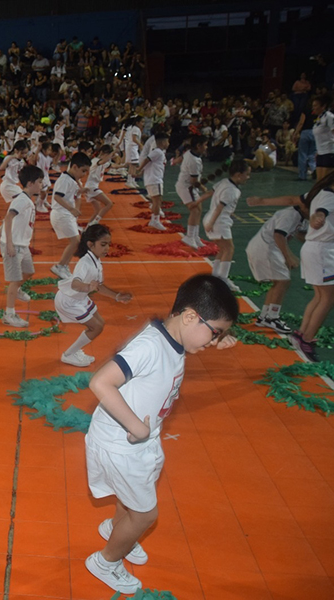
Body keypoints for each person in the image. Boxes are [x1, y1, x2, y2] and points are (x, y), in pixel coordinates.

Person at [84, 274, 238, 594]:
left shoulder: (175, 337)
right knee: (145, 514)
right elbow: (101, 382)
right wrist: (137, 426)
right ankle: (107, 561)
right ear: (190, 316)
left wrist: (215, 337)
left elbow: (183, 351)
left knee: (132, 499)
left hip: (140, 441)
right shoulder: (150, 346)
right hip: (123, 441)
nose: (211, 343)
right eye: (213, 334)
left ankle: (116, 530)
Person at [54, 224, 133, 366]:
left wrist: (116, 296)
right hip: (69, 301)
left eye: (108, 244)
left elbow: (99, 286)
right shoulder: (85, 263)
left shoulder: (96, 260)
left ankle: (75, 350)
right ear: (90, 244)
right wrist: (89, 286)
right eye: (103, 244)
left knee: (100, 324)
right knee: (96, 327)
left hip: (80, 299)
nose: (107, 248)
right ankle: (68, 354)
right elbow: (75, 284)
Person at [244, 192, 311, 334]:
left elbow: (301, 234)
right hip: (266, 247)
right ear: (305, 207)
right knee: (283, 281)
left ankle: (264, 316)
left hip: (265, 247)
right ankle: (272, 317)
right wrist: (288, 257)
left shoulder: (302, 218)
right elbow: (278, 235)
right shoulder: (291, 215)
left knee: (278, 282)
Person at [291, 172, 334, 361]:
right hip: (322, 252)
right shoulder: (329, 197)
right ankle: (307, 339)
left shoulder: (323, 192)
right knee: (327, 299)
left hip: (316, 250)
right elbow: (321, 212)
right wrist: (318, 217)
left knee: (319, 296)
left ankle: (302, 334)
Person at [0, 165, 44, 328]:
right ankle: (9, 314)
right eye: (39, 182)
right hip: (14, 245)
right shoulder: (21, 200)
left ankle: (16, 290)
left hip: (23, 245)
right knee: (14, 279)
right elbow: (9, 218)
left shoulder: (27, 200)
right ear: (31, 183)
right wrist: (9, 243)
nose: (41, 185)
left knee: (29, 271)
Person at [203, 160, 252, 292]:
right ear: (238, 174)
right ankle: (223, 279)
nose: (248, 177)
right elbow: (220, 207)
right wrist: (211, 223)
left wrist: (197, 202)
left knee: (223, 249)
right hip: (219, 221)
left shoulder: (224, 182)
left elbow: (210, 193)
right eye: (246, 174)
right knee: (229, 249)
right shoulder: (232, 190)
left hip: (214, 219)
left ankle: (216, 276)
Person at [50, 152, 92, 280]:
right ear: (74, 167)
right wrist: (71, 209)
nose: (84, 174)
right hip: (61, 214)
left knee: (75, 242)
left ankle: (63, 266)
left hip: (66, 214)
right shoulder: (65, 179)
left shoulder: (72, 180)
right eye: (83, 171)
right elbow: (57, 196)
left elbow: (70, 194)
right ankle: (60, 265)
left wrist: (80, 191)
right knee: (75, 241)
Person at [177, 136, 209, 249]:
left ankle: (195, 236)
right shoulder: (194, 161)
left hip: (189, 187)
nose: (206, 147)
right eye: (205, 145)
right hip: (186, 187)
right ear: (198, 146)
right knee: (194, 210)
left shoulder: (190, 153)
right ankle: (189, 236)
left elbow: (181, 158)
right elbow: (193, 181)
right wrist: (203, 189)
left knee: (199, 209)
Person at [139, 134, 170, 230]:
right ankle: (155, 221)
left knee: (157, 200)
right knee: (157, 201)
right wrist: (139, 169)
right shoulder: (157, 152)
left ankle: (154, 219)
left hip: (153, 179)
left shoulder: (159, 152)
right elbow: (147, 160)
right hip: (155, 179)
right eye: (167, 141)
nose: (168, 144)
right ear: (163, 142)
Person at [83, 144, 117, 228]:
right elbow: (103, 161)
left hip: (92, 187)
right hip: (91, 187)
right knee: (109, 204)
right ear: (102, 153)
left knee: (97, 210)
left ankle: (87, 228)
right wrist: (112, 154)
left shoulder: (103, 162)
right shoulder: (95, 160)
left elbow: (112, 165)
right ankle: (95, 222)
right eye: (108, 154)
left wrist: (125, 165)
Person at [312, 94, 334, 181]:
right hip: (321, 152)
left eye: (315, 106)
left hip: (329, 152)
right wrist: (318, 151)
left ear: (323, 106)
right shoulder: (319, 118)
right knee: (319, 181)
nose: (313, 108)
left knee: (325, 181)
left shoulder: (329, 116)